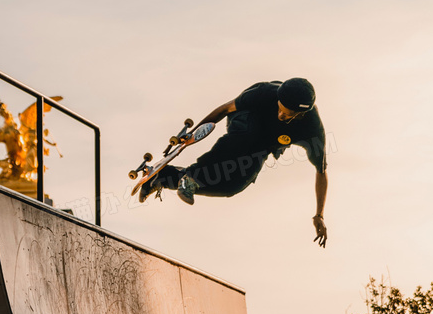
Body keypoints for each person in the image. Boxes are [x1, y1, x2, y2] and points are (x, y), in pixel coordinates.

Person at [140, 78, 329, 246]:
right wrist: (192, 137)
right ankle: (192, 177)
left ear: (301, 114)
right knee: (248, 135)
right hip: (245, 121)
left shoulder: (312, 131)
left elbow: (321, 172)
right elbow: (223, 110)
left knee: (234, 185)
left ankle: (163, 178)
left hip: (263, 146)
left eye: (287, 114)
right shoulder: (264, 93)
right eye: (279, 108)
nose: (280, 115)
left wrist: (319, 214)